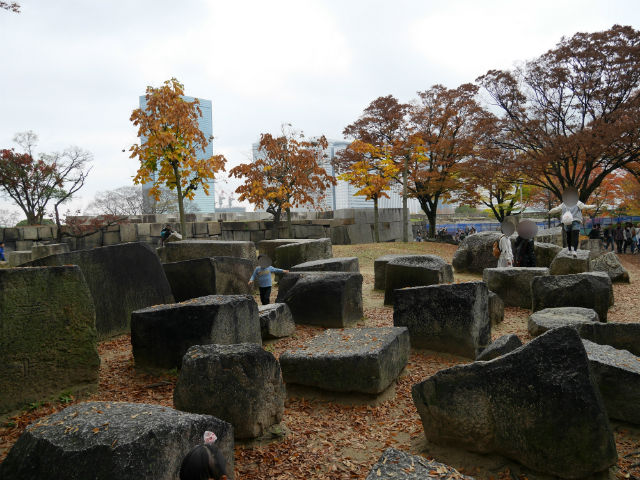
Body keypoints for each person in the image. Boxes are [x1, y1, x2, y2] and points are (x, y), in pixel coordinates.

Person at [548, 187, 595, 256]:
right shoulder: (577, 202)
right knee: (575, 236)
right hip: (575, 220)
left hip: (567, 221)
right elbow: (585, 207)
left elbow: (557, 209)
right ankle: (574, 251)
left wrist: (550, 211)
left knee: (568, 236)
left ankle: (569, 250)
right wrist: (593, 206)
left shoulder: (564, 203)